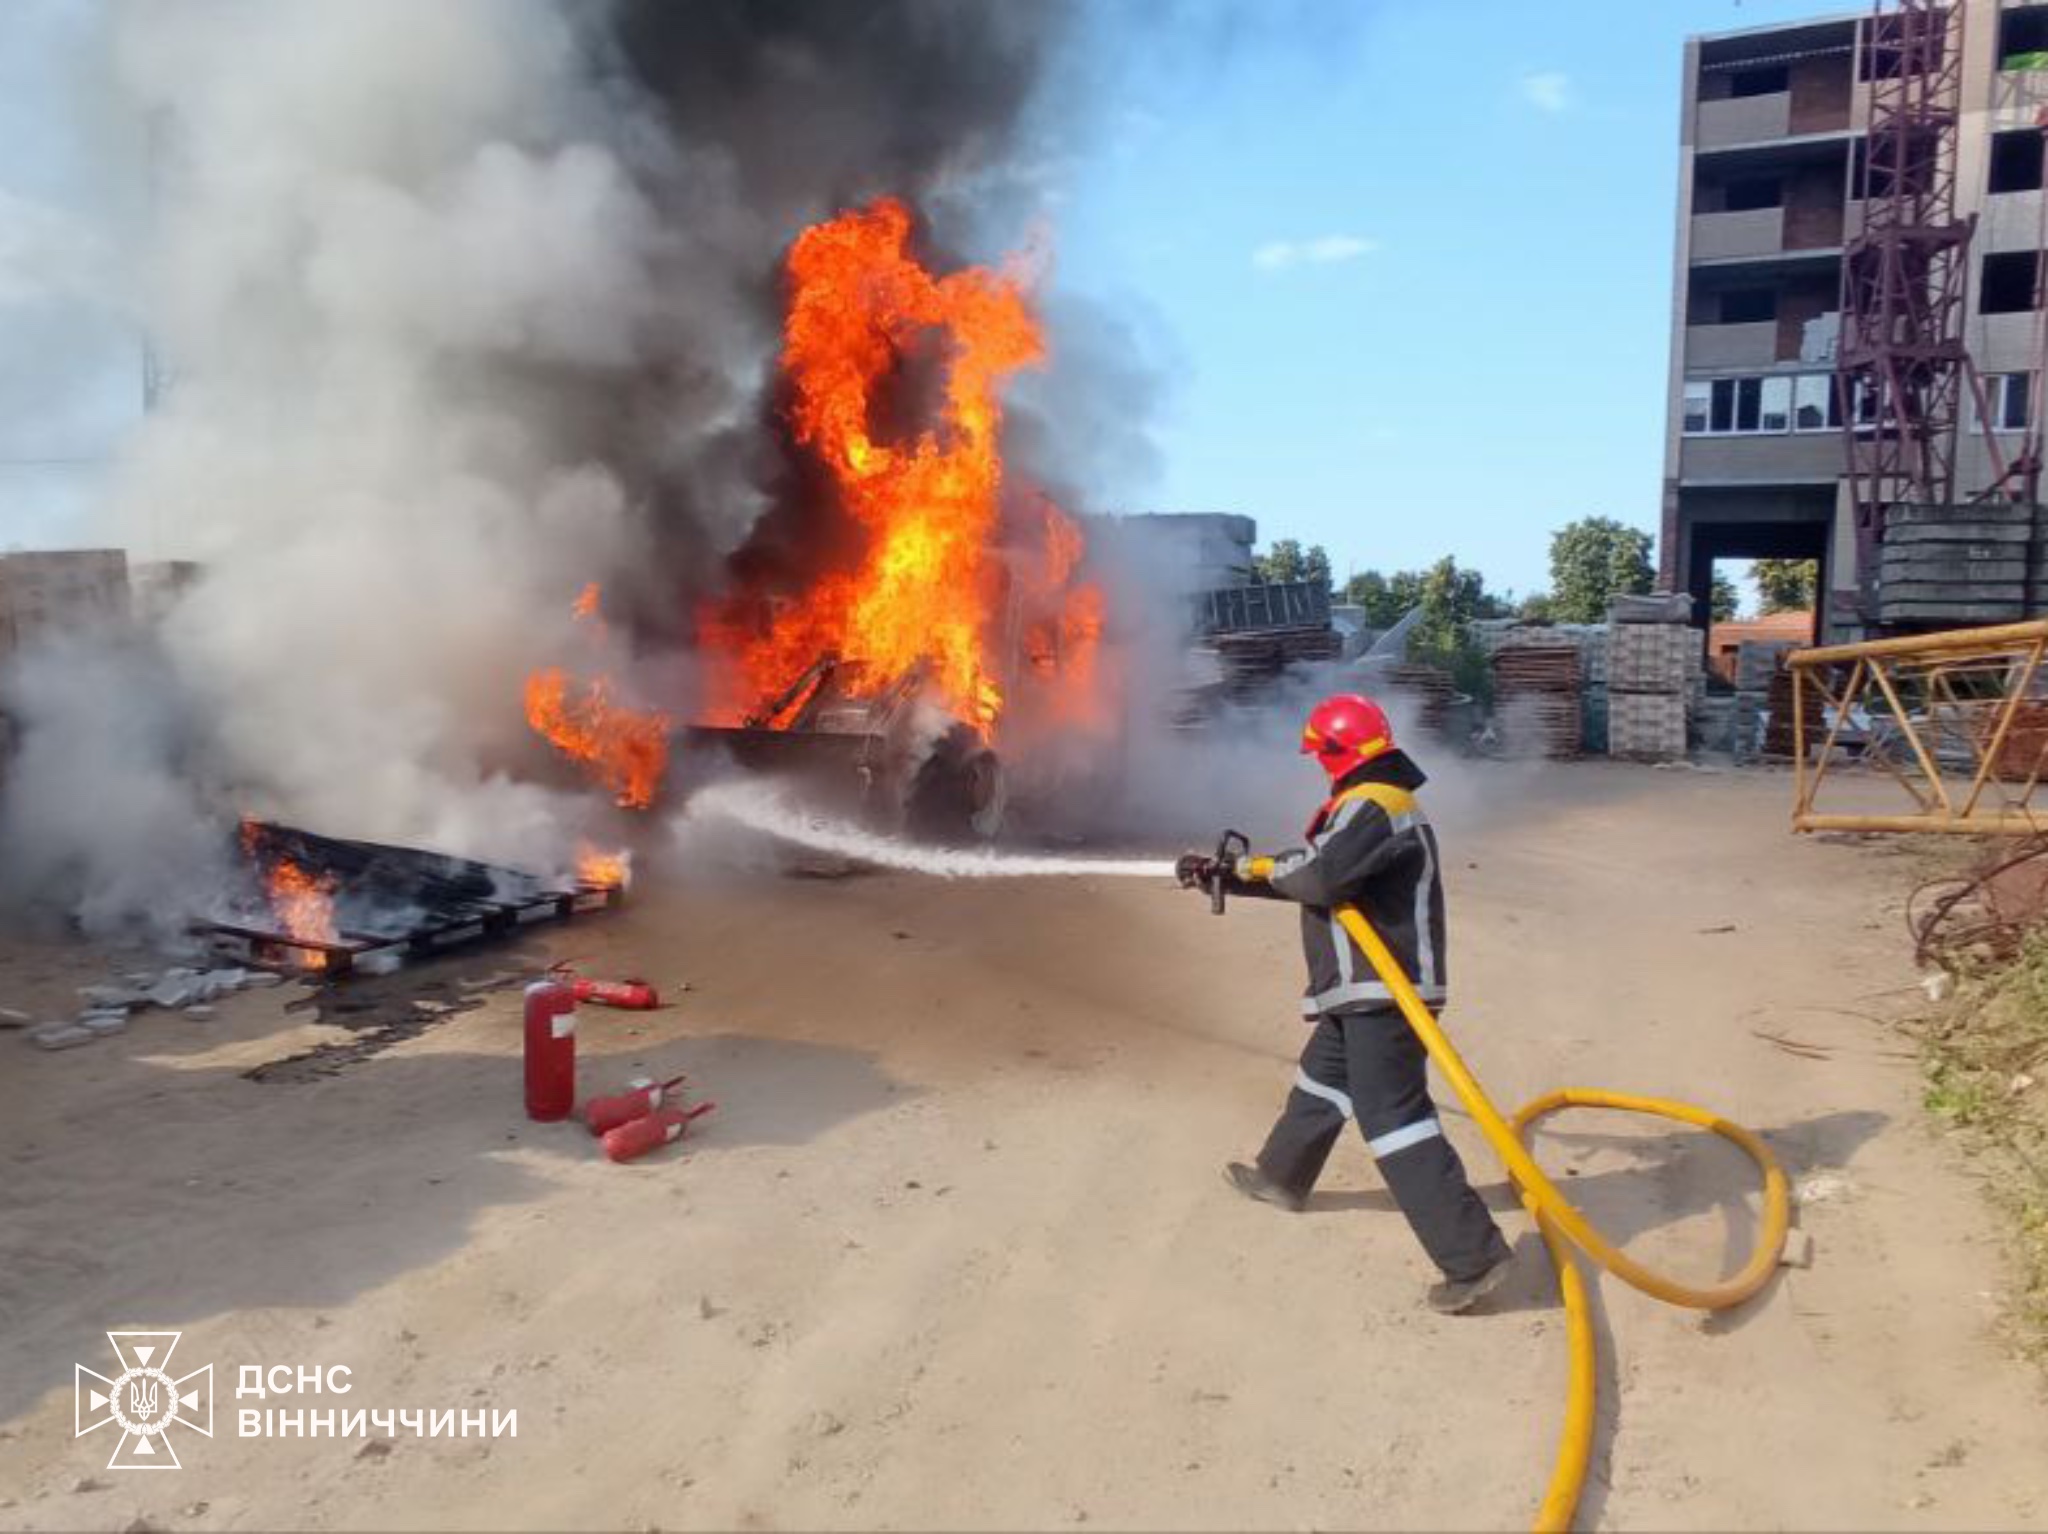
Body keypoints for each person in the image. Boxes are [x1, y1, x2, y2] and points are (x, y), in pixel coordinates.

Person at [1176, 692, 1513, 1313]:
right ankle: (1282, 1176)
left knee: (1395, 1121)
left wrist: (1248, 866)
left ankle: (1474, 1257)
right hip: (1359, 991)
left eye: (1319, 755)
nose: (1317, 766)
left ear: (1336, 752)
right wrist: (1228, 877)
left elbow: (1320, 878)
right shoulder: (1367, 806)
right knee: (1322, 1080)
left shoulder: (1376, 804)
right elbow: (1321, 877)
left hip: (1384, 993)